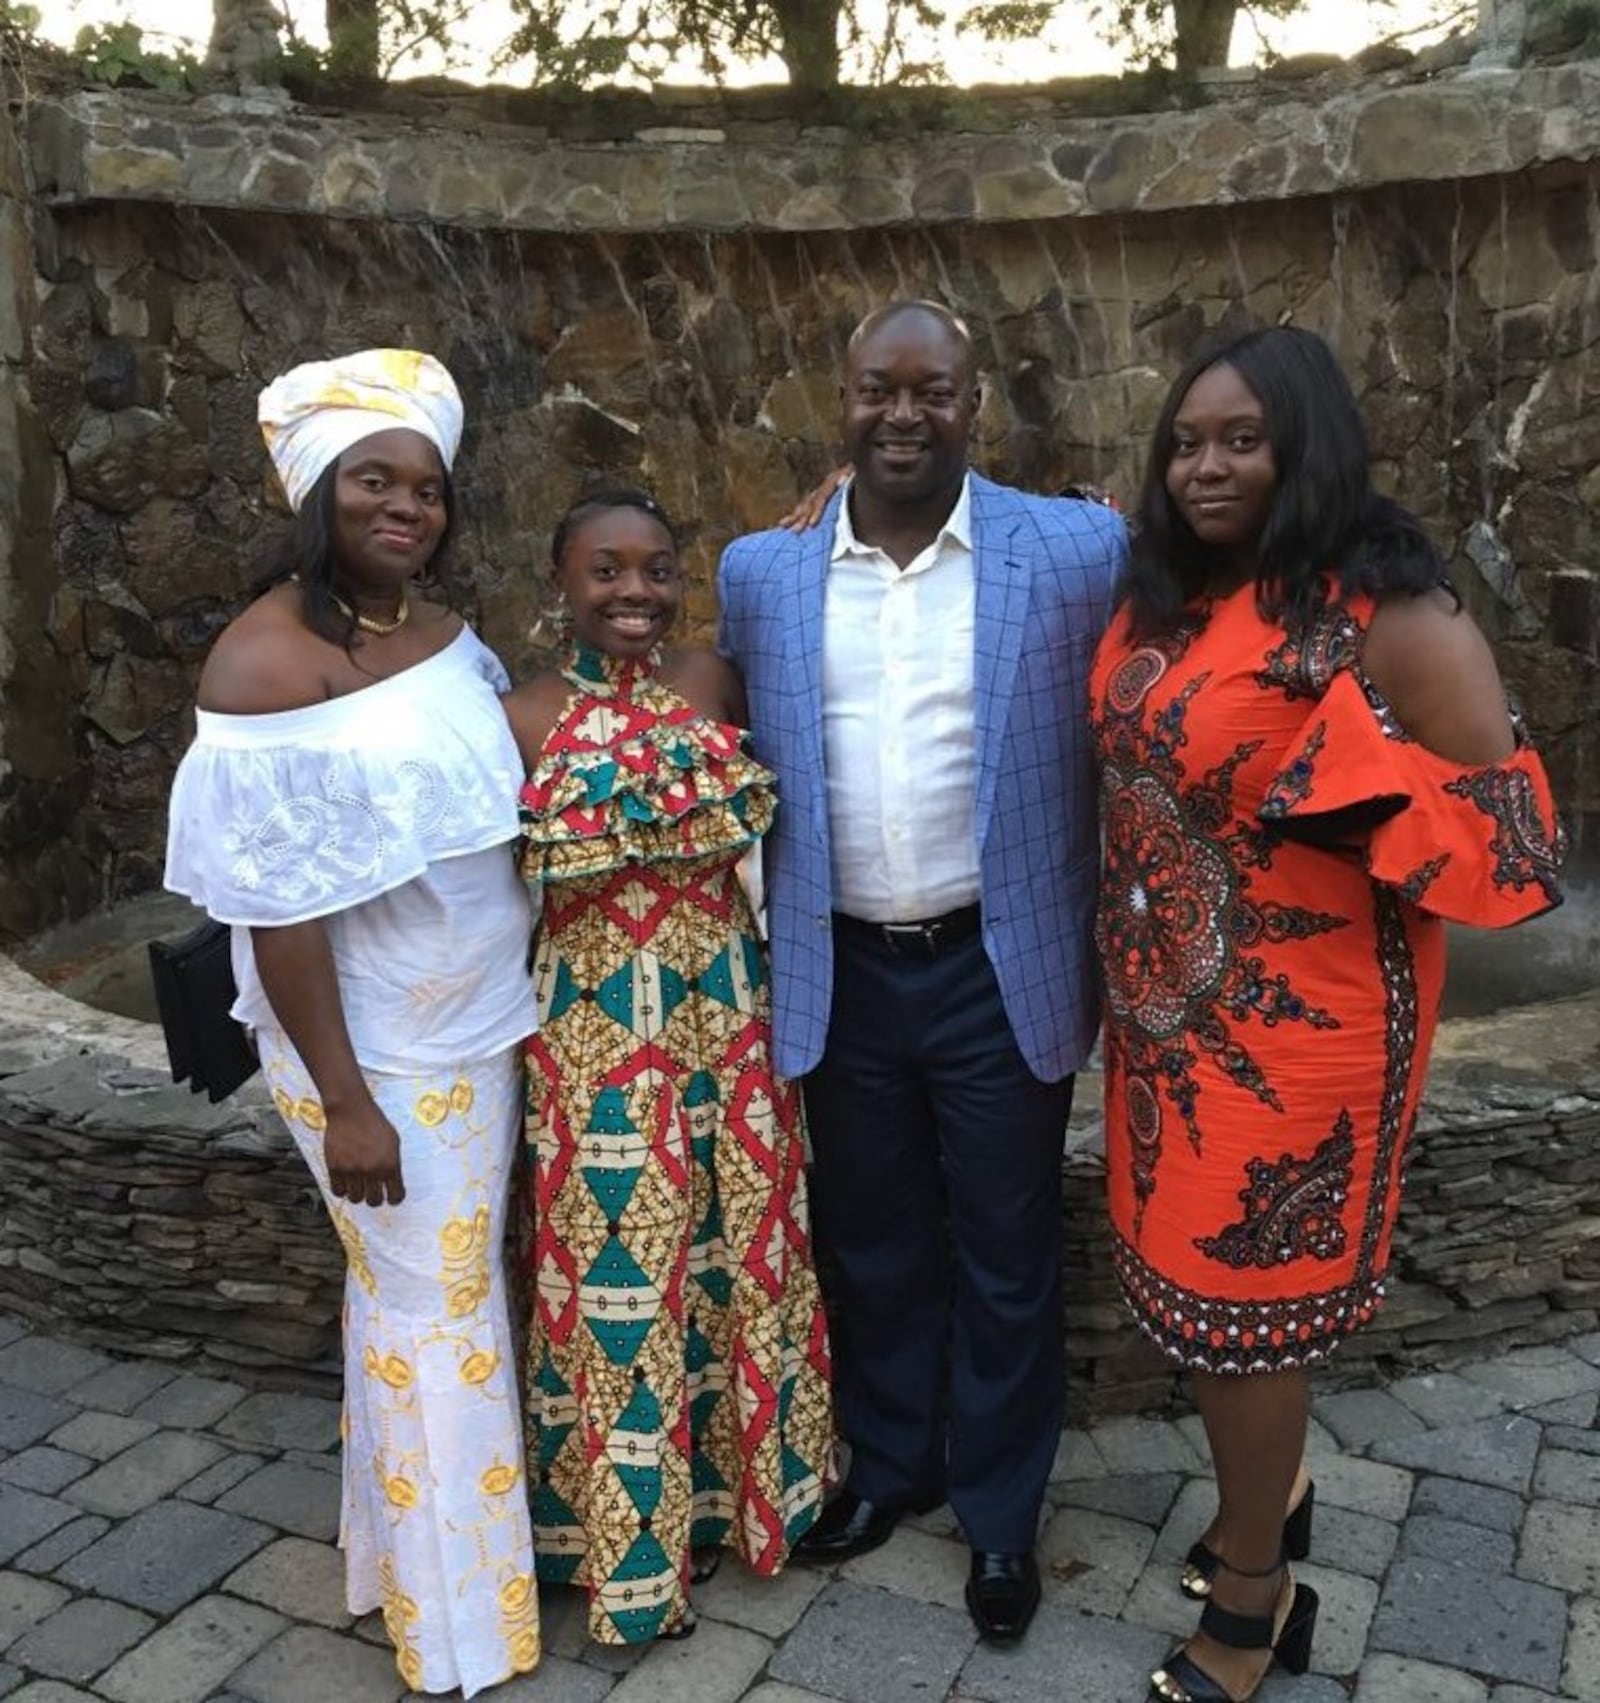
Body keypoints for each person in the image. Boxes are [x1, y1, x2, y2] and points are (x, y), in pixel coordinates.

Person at [1091, 325, 1565, 1703]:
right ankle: (1274, 1498)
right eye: (1185, 441)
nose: (1205, 464)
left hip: (1306, 1037)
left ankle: (1256, 1597)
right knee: (1195, 1307)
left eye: (1241, 436)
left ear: (1309, 441)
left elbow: (1520, 844)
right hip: (1168, 1020)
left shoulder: (1388, 613)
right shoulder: (1168, 594)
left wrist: (1365, 785)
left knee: (1249, 1315)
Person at [717, 301, 1126, 1647]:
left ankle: (1002, 1512)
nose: (903, 414)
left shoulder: (1074, 547)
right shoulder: (762, 573)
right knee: (872, 1238)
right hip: (838, 966)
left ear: (974, 404)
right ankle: (894, 1466)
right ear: (840, 399)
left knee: (1010, 1252)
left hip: (995, 966)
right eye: (877, 389)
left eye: (931, 391)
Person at [164, 350, 541, 1698]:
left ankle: (401, 1568)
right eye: (374, 479)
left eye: (426, 487)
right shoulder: (269, 661)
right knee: (435, 1311)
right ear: (319, 490)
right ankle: (461, 1633)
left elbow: (475, 776)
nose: (407, 506)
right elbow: (281, 911)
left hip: (474, 1025)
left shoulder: (424, 627)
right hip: (379, 1055)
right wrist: (350, 1100)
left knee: (414, 1302)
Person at [502, 487, 832, 1648]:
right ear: (562, 582)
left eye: (653, 569)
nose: (632, 592)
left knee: (741, 1248)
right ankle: (624, 1553)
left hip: (727, 1016)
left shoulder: (714, 684)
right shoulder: (525, 714)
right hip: (593, 1038)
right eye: (604, 571)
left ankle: (747, 1503)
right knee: (617, 1273)